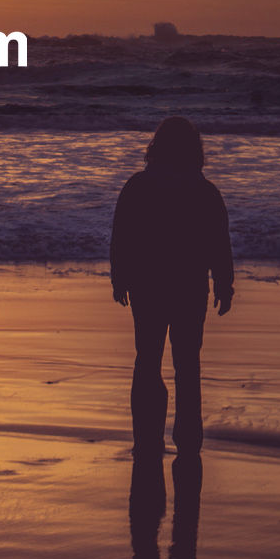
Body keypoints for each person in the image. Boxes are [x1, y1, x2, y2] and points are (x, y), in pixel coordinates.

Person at [110, 117, 233, 457]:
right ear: (195, 150)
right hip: (189, 287)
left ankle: (147, 437)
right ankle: (188, 440)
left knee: (147, 360)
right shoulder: (204, 190)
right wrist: (225, 282)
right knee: (187, 365)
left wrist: (119, 275)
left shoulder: (138, 186)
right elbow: (219, 242)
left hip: (147, 285)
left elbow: (121, 236)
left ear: (156, 147)